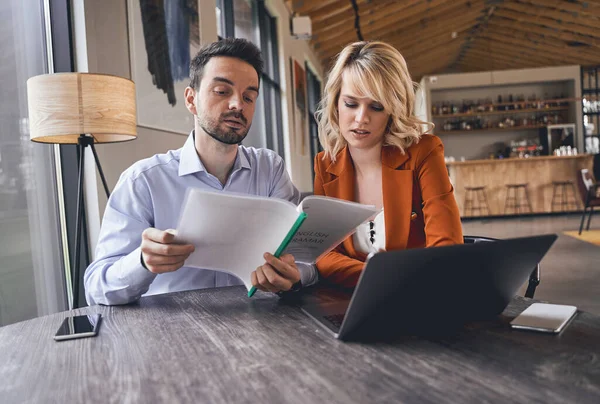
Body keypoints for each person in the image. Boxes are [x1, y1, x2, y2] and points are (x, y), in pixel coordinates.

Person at [85, 38, 316, 305]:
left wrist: (294, 275)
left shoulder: (270, 169)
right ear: (191, 99)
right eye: (222, 91)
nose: (237, 105)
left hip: (258, 326)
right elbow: (97, 288)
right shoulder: (144, 181)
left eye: (248, 97)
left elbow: (305, 260)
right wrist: (141, 261)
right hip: (171, 332)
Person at [313, 41, 463, 288]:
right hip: (352, 303)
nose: (361, 118)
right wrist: (378, 279)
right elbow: (324, 254)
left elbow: (446, 247)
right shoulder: (325, 165)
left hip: (422, 295)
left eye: (376, 106)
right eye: (351, 103)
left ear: (393, 110)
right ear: (336, 103)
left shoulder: (423, 152)